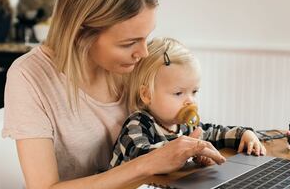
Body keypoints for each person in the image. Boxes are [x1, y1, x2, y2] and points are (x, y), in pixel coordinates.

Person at [2, 0, 227, 189]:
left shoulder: (131, 65)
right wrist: (147, 164)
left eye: (146, 37)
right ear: (82, 32)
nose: (143, 53)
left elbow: (160, 129)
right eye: (129, 43)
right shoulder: (30, 76)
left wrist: (187, 151)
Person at [110, 37, 266, 168]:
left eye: (194, 92)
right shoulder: (138, 123)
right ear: (146, 94)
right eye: (178, 93)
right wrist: (188, 150)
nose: (190, 100)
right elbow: (140, 156)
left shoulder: (184, 125)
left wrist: (244, 134)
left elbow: (213, 133)